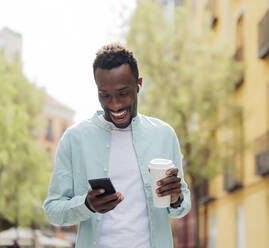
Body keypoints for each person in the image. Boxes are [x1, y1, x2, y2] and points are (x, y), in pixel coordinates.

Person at [43, 44, 191, 248]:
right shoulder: (75, 138)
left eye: (123, 93)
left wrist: (175, 198)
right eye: (105, 95)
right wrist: (86, 205)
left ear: (138, 85)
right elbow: (53, 210)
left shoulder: (163, 135)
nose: (114, 104)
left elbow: (182, 206)